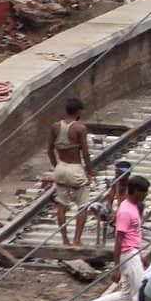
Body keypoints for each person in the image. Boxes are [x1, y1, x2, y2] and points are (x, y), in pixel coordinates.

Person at [80, 173, 150, 301]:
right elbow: (119, 240)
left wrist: (140, 254)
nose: (146, 195)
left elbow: (133, 235)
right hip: (128, 254)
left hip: (133, 253)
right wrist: (116, 267)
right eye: (144, 192)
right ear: (136, 191)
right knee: (139, 293)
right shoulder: (125, 211)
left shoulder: (132, 207)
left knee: (125, 295)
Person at [48, 97, 94, 246]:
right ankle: (76, 239)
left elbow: (49, 150)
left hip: (60, 167)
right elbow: (85, 153)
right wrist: (89, 172)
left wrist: (56, 166)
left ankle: (65, 240)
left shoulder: (55, 126)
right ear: (79, 112)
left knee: (61, 205)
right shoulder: (80, 128)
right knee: (83, 205)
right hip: (75, 168)